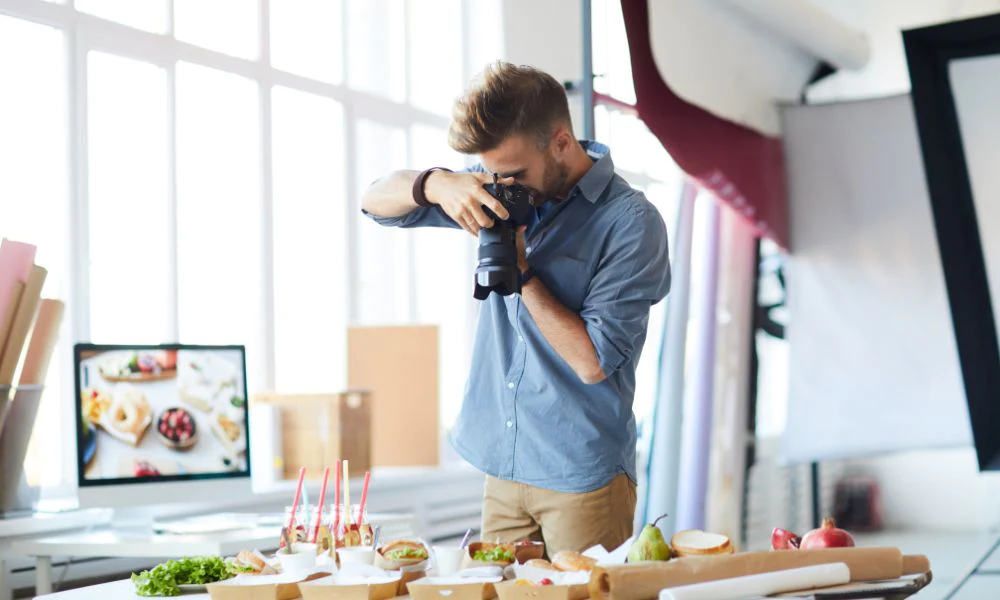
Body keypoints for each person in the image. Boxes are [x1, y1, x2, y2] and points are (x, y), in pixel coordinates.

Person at [361, 61, 671, 555]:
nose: (503, 186)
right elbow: (374, 200)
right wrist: (437, 184)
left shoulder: (631, 223)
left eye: (515, 173)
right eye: (490, 172)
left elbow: (593, 363)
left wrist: (521, 272)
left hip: (581, 476)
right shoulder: (497, 182)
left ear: (562, 143)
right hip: (501, 466)